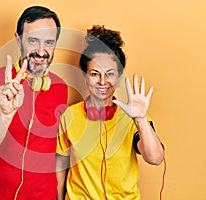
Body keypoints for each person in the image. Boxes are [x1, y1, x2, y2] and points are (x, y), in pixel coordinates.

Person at [0, 6, 68, 200]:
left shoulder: (60, 87)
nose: (41, 51)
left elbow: (57, 151)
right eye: (33, 41)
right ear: (18, 39)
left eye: (49, 42)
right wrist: (5, 114)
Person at [56, 25, 164, 200]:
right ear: (84, 76)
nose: (103, 81)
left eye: (110, 74)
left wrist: (141, 119)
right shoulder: (69, 116)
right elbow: (60, 166)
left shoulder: (133, 118)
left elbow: (155, 158)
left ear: (119, 76)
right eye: (95, 74)